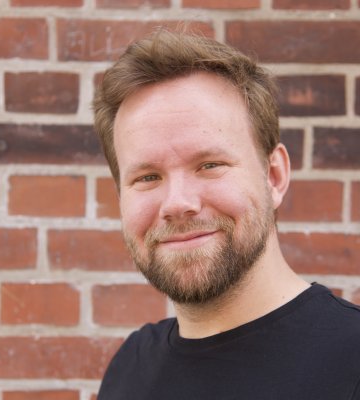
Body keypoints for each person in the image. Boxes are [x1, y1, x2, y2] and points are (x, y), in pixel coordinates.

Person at [93, 29, 360, 400]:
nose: (177, 203)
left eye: (209, 165)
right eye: (148, 177)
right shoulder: (131, 367)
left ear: (274, 176)